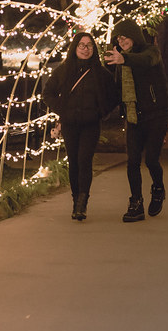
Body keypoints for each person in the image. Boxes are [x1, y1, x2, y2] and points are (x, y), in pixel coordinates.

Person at [42, 32, 118, 221]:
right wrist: (62, 109)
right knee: (74, 162)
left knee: (84, 160)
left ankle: (82, 202)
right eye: (82, 45)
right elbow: (48, 93)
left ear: (94, 49)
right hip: (70, 124)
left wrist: (102, 111)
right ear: (75, 48)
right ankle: (76, 200)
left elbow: (115, 95)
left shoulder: (101, 73)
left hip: (90, 124)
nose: (85, 49)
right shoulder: (64, 70)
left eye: (89, 46)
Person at [103, 19, 168, 222]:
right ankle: (136, 202)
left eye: (124, 36)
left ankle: (158, 189)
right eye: (118, 38)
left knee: (151, 160)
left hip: (156, 115)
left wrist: (124, 59)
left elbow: (145, 61)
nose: (122, 40)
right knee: (132, 162)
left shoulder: (151, 52)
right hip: (133, 117)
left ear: (134, 35)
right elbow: (116, 89)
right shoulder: (119, 61)